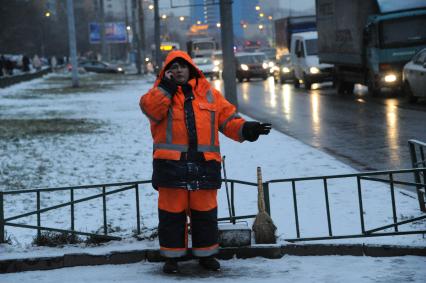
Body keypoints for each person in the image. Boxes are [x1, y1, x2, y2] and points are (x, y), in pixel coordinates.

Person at [139, 50, 271, 274]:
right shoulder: (159, 94)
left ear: (191, 68)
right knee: (171, 216)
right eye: (173, 67)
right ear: (167, 72)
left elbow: (228, 120)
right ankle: (172, 258)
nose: (179, 70)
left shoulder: (209, 93)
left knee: (205, 214)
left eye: (182, 66)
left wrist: (247, 129)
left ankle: (207, 255)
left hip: (204, 166)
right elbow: (149, 109)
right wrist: (167, 88)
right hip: (172, 167)